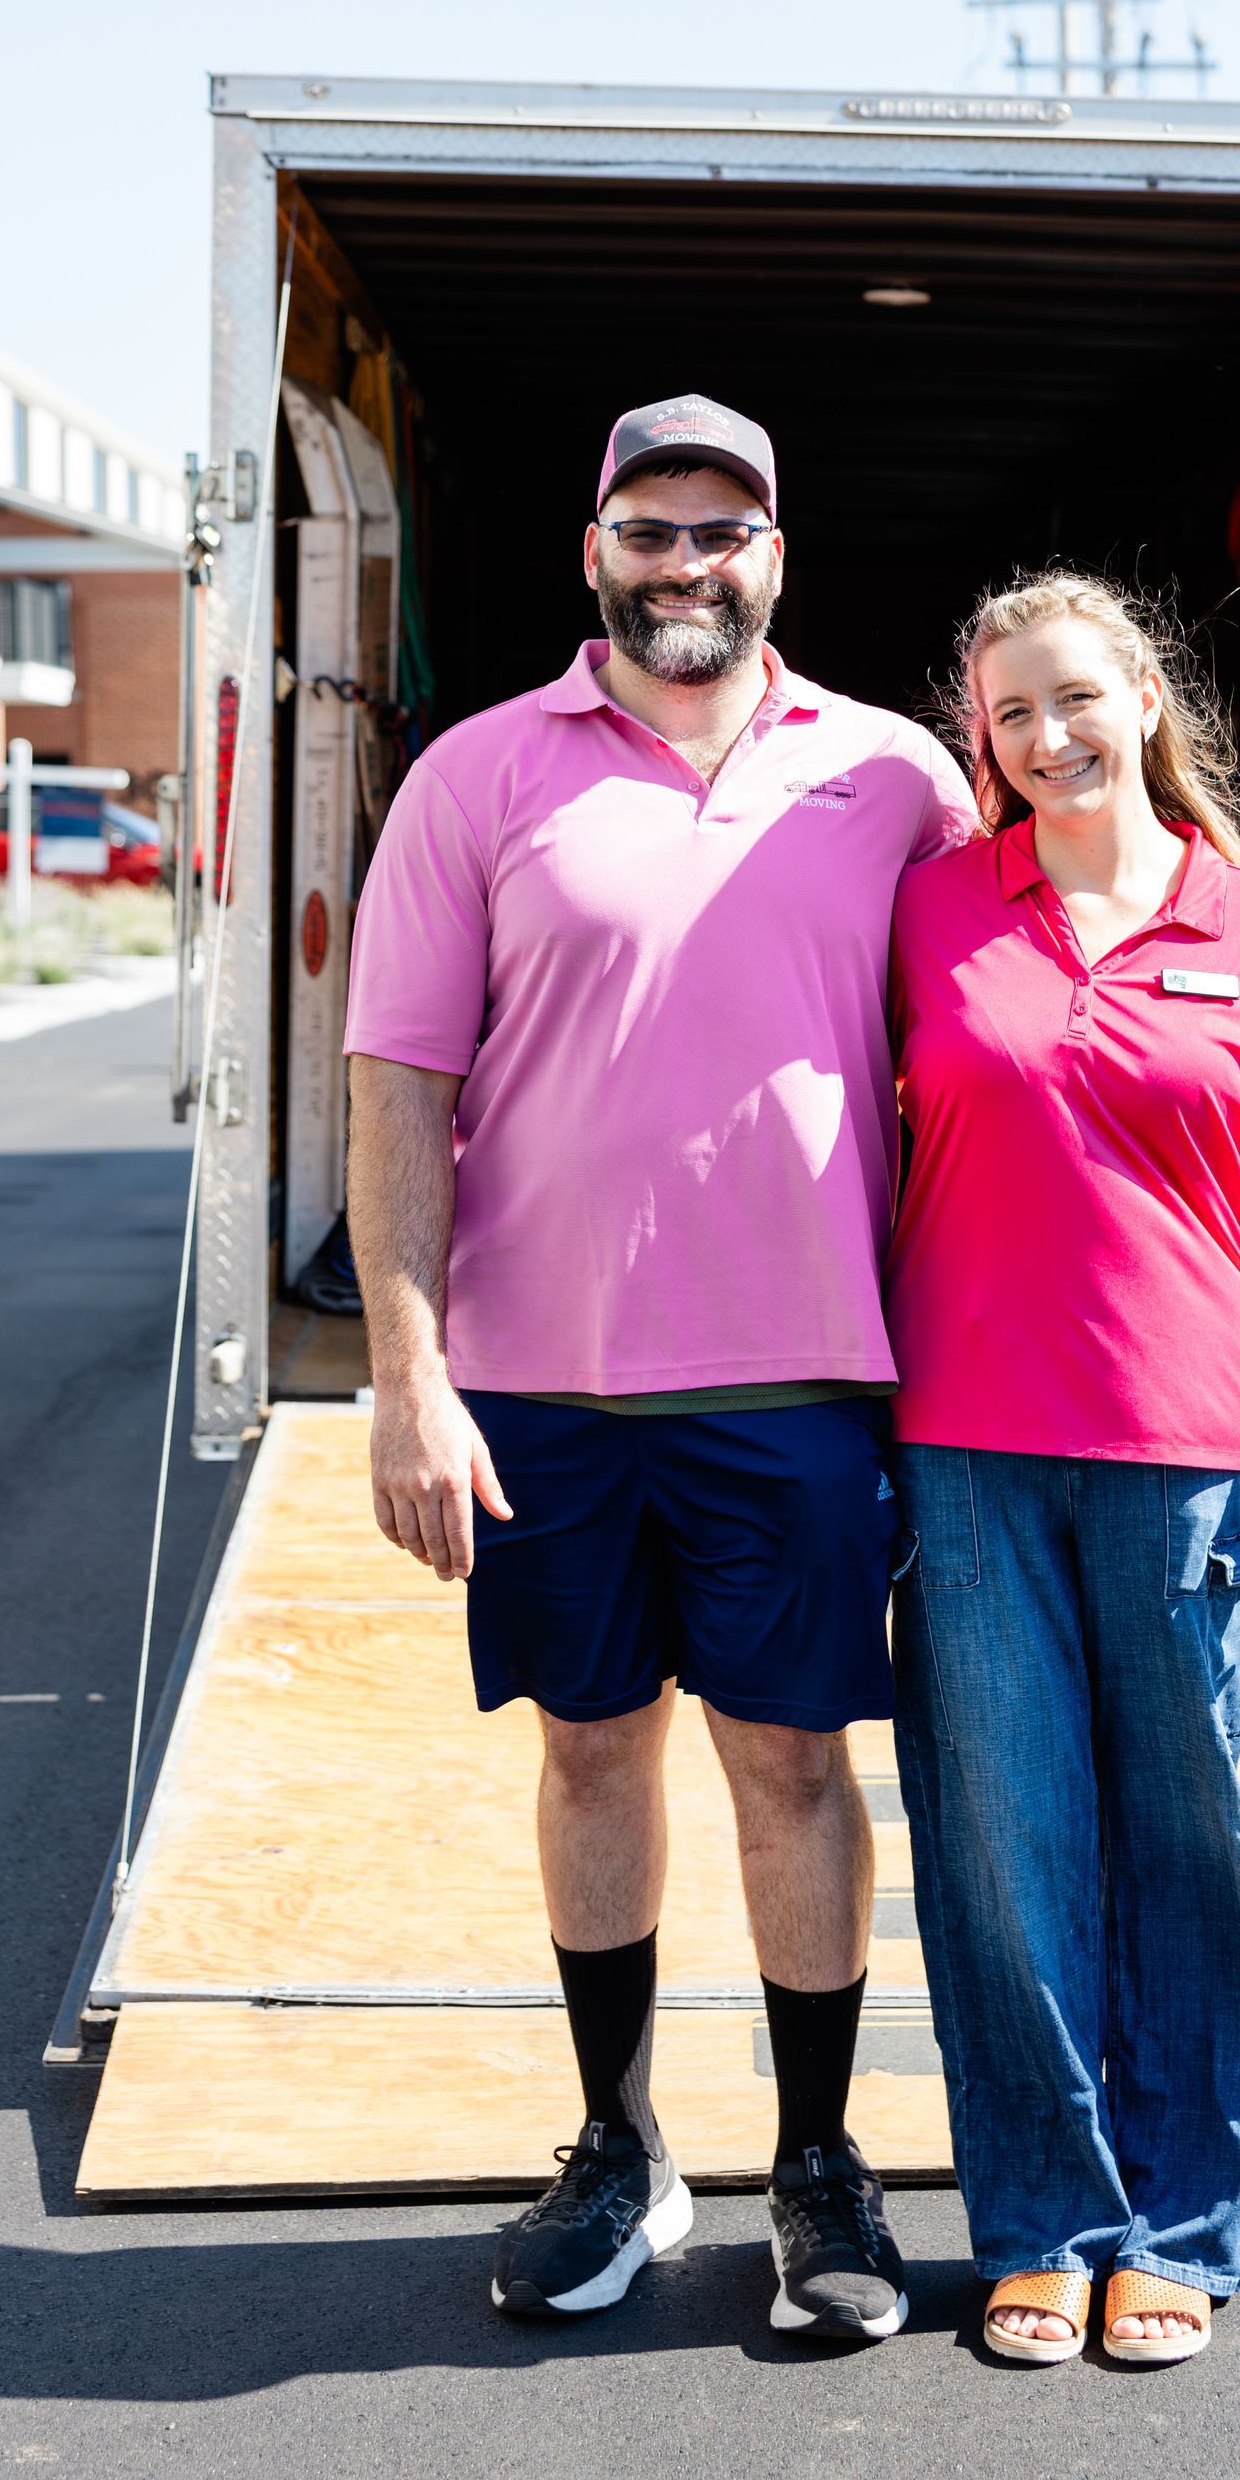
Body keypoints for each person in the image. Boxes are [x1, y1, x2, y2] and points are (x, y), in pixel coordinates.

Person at [343, 394, 974, 2338]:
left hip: (800, 1382)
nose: (685, 563)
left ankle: (818, 2163)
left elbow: (1001, 1050)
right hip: (544, 1391)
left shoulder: (896, 781)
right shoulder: (477, 776)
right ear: (594, 553)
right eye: (651, 530)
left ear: (776, 557)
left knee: (794, 1764)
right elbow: (397, 1087)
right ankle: (617, 2146)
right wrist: (408, 1376)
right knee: (591, 1745)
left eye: (722, 532)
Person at [883, 571, 1240, 2367]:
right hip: (964, 1448)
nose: (1048, 735)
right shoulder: (934, 910)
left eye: (1075, 696)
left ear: (1145, 696)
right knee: (1001, 1848)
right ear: (983, 741)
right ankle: (1045, 2220)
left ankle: (1181, 2218)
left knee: (1183, 1837)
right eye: (1010, 713)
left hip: (1189, 1454)